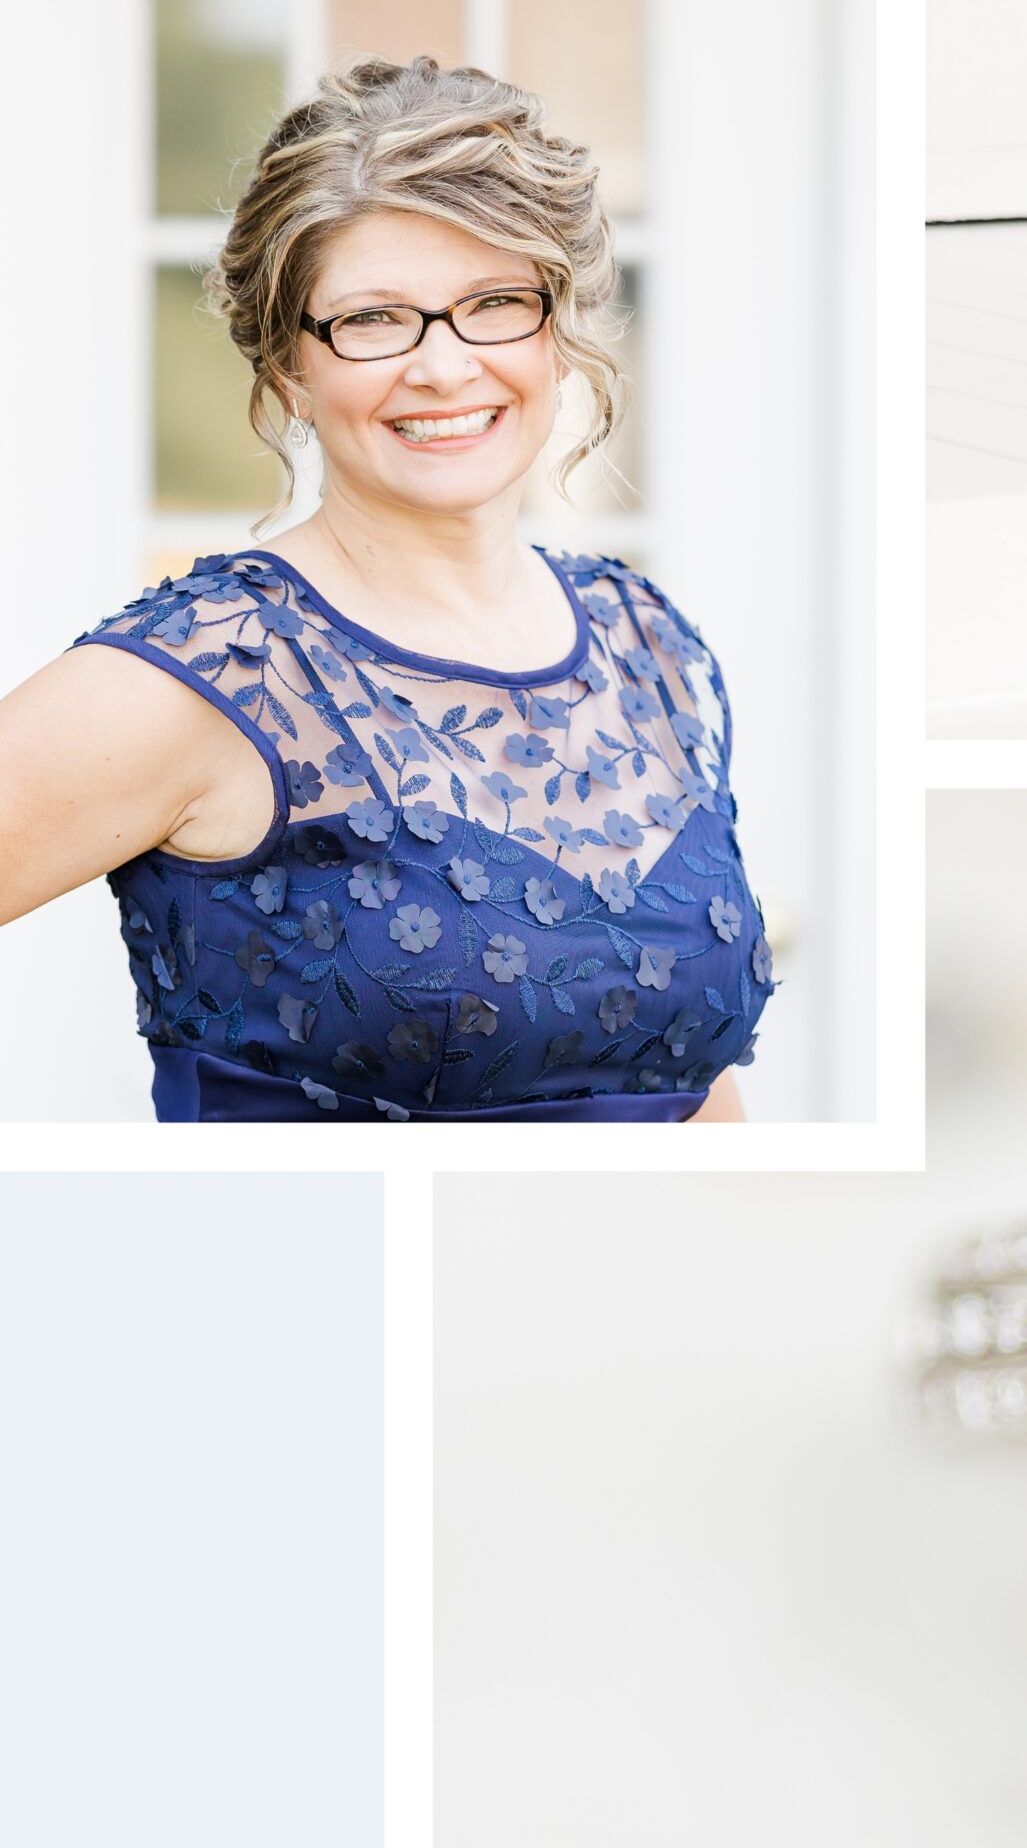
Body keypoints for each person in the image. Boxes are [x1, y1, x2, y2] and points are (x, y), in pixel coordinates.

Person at [0, 57, 776, 1119]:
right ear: (289, 369)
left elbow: (692, 1084)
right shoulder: (209, 673)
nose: (445, 366)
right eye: (374, 319)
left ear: (558, 330)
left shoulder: (649, 646)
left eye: (495, 303)